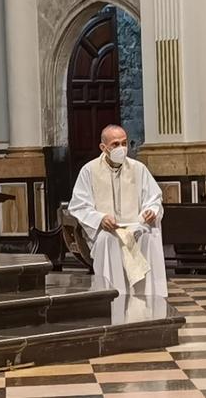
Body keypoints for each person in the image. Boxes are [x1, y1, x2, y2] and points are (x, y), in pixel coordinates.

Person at [67, 125, 167, 299]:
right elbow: (78, 205)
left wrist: (151, 210)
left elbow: (154, 197)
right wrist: (100, 218)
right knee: (109, 240)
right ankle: (113, 299)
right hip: (108, 230)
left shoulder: (138, 168)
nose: (121, 148)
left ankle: (149, 298)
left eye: (124, 143)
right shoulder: (89, 170)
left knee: (148, 236)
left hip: (134, 227)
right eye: (115, 144)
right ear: (103, 147)